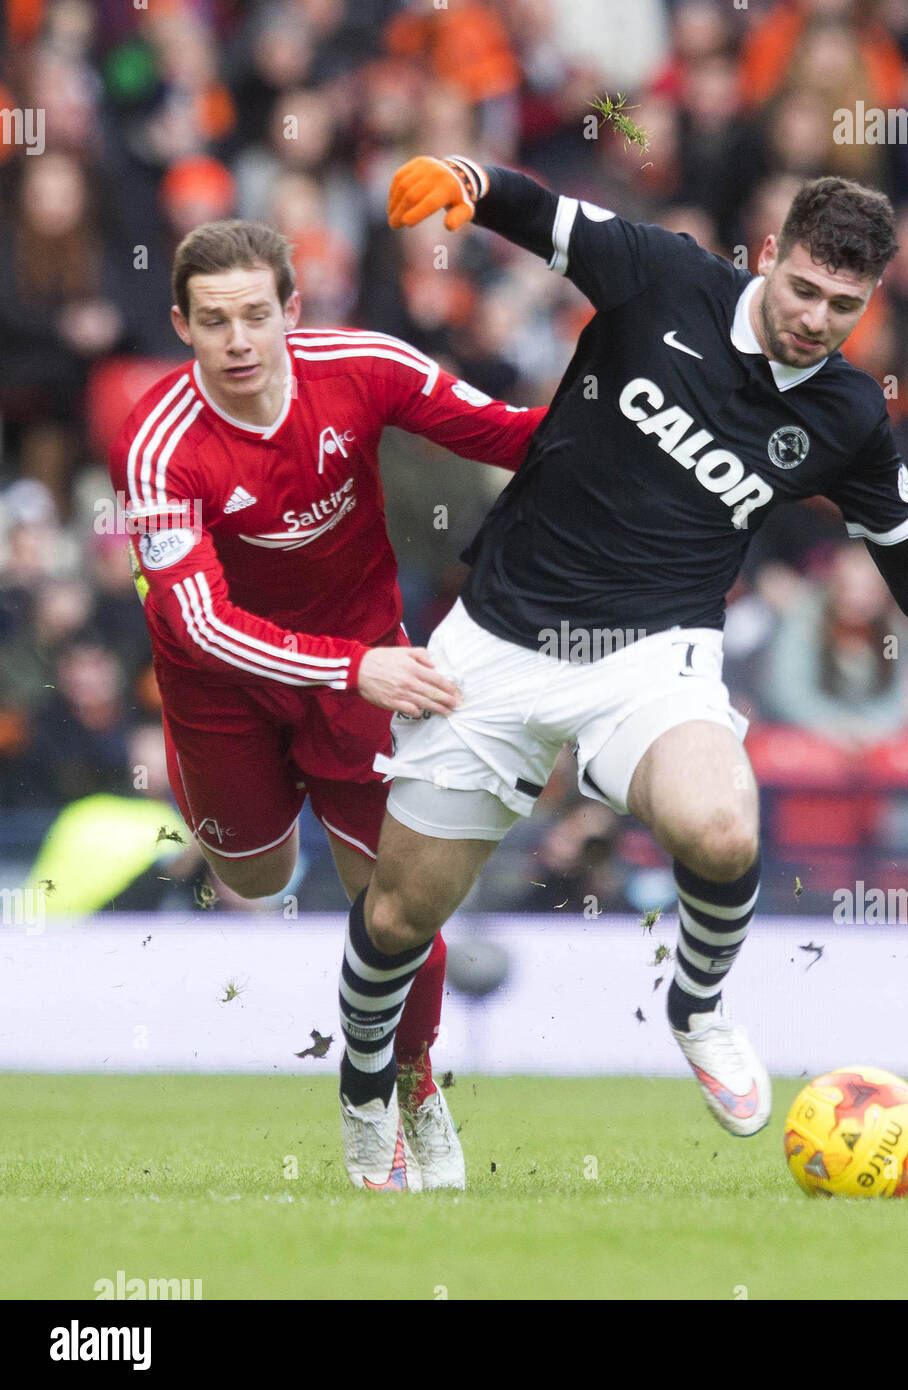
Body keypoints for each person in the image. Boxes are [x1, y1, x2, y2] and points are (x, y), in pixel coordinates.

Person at [342, 153, 908, 1192]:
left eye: (842, 304)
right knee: (398, 919)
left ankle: (697, 1006)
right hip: (497, 639)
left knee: (721, 825)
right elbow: (544, 214)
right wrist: (467, 179)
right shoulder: (663, 276)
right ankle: (363, 1087)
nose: (813, 316)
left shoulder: (847, 416)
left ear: (870, 302)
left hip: (656, 657)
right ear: (767, 257)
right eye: (801, 287)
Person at [107, 218, 545, 1192]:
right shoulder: (157, 445)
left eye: (256, 314)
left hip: (361, 672)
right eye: (214, 320)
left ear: (291, 311)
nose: (238, 340)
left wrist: (634, 418)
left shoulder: (367, 365)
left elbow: (512, 435)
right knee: (257, 880)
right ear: (181, 324)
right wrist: (355, 668)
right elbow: (197, 621)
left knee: (401, 901)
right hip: (225, 690)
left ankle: (408, 1082)